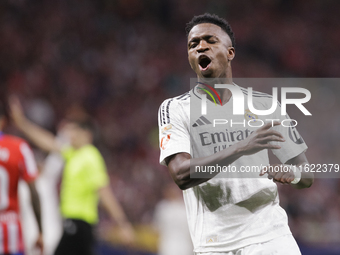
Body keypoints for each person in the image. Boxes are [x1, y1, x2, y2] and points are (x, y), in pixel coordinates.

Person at [158, 13, 314, 255]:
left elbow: (306, 175)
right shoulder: (175, 108)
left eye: (210, 40)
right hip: (215, 244)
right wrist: (241, 147)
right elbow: (180, 173)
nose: (201, 46)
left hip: (270, 237)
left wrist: (291, 174)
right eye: (193, 44)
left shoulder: (266, 106)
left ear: (230, 52)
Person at [9, 97, 135, 255]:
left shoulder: (90, 156)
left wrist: (122, 223)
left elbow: (104, 191)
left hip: (79, 221)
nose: (69, 135)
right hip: (74, 223)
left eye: (74, 130)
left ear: (86, 134)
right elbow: (48, 142)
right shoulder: (73, 154)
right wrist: (22, 123)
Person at [0, 101, 43, 255]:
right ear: (4, 120)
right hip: (10, 230)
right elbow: (34, 193)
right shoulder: (19, 148)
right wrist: (40, 231)